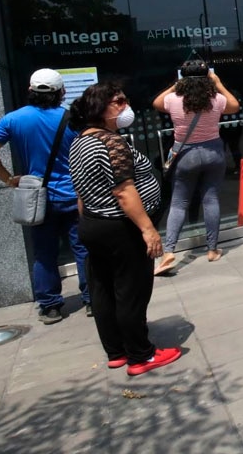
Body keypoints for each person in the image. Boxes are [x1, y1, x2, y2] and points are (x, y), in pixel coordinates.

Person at [68, 82, 182, 376]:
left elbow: (82, 192)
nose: (125, 106)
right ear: (99, 109)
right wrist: (148, 229)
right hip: (120, 228)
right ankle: (141, 355)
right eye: (118, 101)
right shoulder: (111, 142)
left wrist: (88, 222)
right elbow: (123, 191)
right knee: (130, 291)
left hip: (94, 224)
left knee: (103, 288)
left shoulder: (80, 140)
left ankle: (117, 351)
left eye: (125, 100)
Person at [0, 69, 89, 325]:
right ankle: (92, 298)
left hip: (37, 198)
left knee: (44, 253)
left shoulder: (13, 120)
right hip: (74, 195)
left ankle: (50, 306)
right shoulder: (72, 119)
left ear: (30, 91)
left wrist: (8, 178)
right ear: (62, 92)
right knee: (84, 249)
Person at [151, 61, 241, 274]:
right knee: (210, 199)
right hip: (213, 152)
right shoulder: (216, 99)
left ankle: (170, 250)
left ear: (183, 78)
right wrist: (218, 84)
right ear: (207, 77)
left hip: (185, 154)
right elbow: (234, 105)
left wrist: (176, 85)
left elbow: (156, 102)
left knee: (179, 202)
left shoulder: (173, 99)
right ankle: (212, 249)